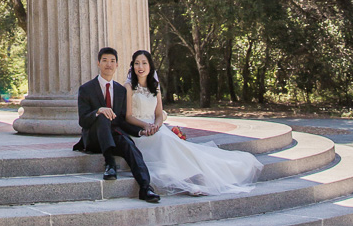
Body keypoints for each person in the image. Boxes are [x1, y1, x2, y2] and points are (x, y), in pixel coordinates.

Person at [124, 50, 264, 196]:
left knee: (174, 143)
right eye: (137, 63)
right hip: (139, 131)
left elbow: (159, 114)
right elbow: (128, 116)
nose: (140, 67)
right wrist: (146, 126)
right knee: (165, 141)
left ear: (150, 66)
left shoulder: (155, 87)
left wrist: (157, 126)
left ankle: (195, 176)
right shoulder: (128, 87)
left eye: (144, 63)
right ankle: (188, 184)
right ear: (132, 66)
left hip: (156, 128)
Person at [73, 46, 161, 203]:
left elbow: (121, 121)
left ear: (117, 65)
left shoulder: (120, 90)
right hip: (94, 139)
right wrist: (98, 111)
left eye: (112, 61)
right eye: (105, 60)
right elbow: (83, 121)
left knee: (129, 145)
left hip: (114, 136)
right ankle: (110, 163)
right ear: (98, 63)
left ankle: (145, 188)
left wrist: (139, 132)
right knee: (102, 116)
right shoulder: (86, 89)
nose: (109, 64)